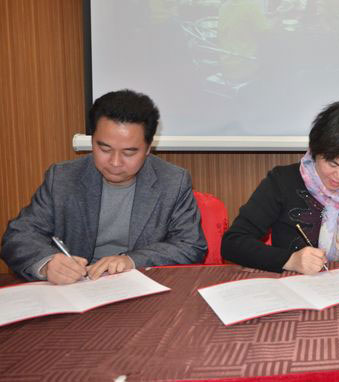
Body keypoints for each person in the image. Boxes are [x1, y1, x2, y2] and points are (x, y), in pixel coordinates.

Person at [1, 90, 207, 284]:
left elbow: (190, 245)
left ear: (148, 148)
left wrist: (132, 260)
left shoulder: (173, 181)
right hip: (76, 290)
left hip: (140, 288)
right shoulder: (63, 178)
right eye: (104, 149)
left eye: (129, 152)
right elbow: (17, 237)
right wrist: (47, 264)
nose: (115, 162)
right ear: (92, 140)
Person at [221, 101, 339, 285]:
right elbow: (233, 243)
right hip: (294, 291)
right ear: (315, 150)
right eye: (332, 164)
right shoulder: (282, 181)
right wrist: (290, 260)